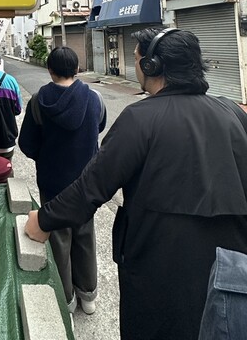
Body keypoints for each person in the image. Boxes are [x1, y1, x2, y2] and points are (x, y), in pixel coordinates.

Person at [24, 27, 247, 340]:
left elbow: (93, 187)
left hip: (158, 263)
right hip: (231, 269)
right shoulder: (233, 112)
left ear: (152, 66)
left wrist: (44, 219)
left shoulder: (140, 118)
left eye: (138, 59)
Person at [19, 46, 106, 315]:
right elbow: (98, 127)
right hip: (86, 183)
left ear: (50, 70)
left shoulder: (38, 102)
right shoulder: (95, 99)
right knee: (85, 234)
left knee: (58, 238)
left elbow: (26, 143)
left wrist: (46, 157)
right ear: (77, 69)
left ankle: (66, 299)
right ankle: (88, 296)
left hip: (52, 181)